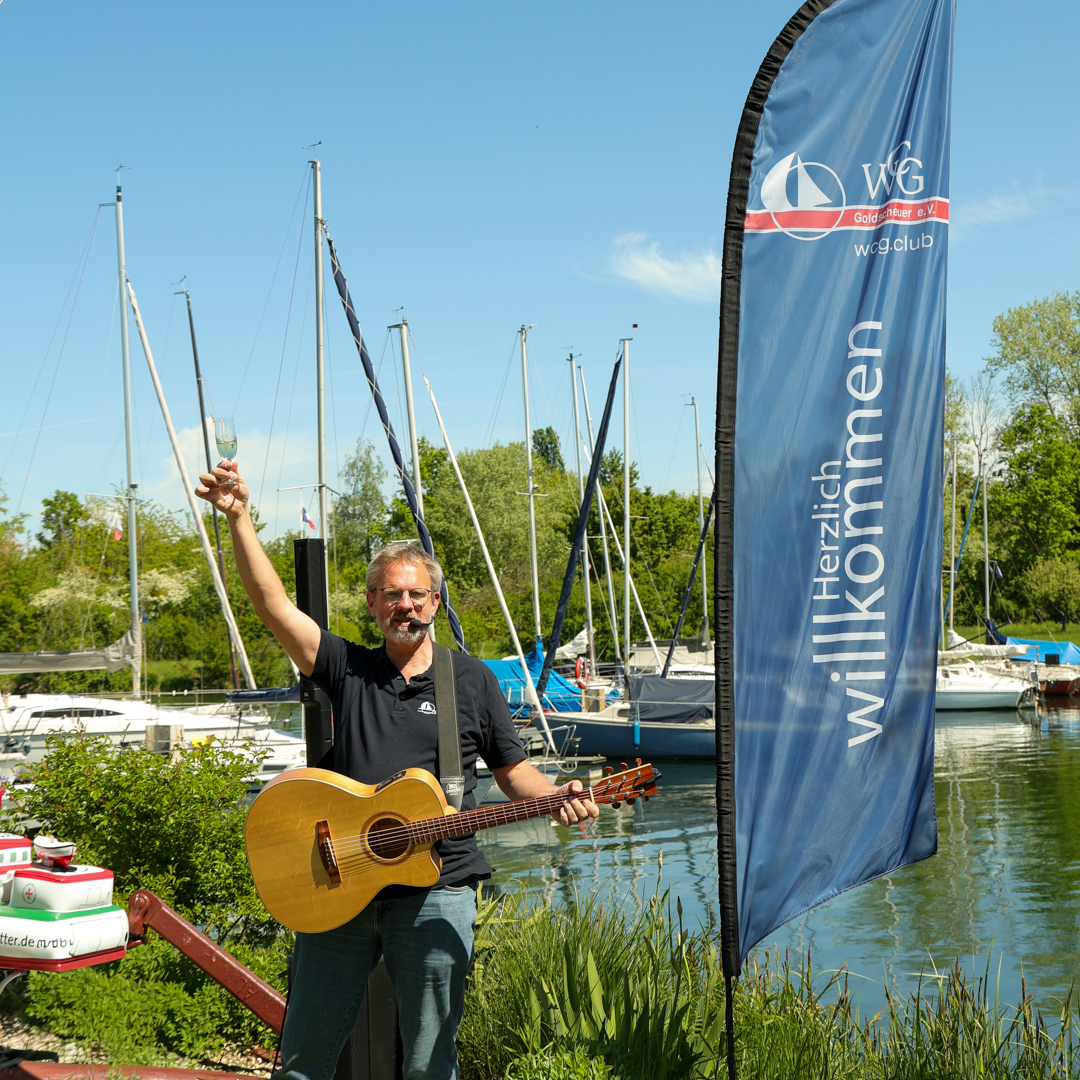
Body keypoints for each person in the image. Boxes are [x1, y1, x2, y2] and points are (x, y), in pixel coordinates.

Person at [195, 458, 598, 1080]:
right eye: (391, 594)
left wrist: (558, 797)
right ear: (372, 602)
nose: (404, 606)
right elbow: (273, 606)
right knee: (303, 1057)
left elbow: (514, 769)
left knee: (430, 1060)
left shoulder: (471, 678)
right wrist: (241, 517)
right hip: (335, 887)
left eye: (415, 594)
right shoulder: (347, 668)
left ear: (435, 601)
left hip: (439, 890)